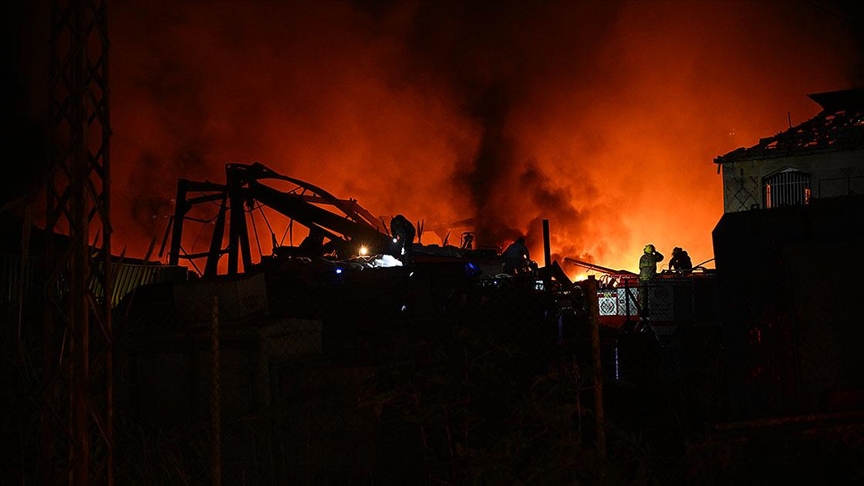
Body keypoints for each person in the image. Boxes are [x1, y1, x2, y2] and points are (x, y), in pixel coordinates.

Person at [638, 243, 664, 318]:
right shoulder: (654, 257)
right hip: (651, 278)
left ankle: (642, 310)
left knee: (642, 294)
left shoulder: (642, 258)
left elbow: (640, 267)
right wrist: (655, 252)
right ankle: (650, 309)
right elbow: (661, 257)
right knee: (650, 294)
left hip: (642, 278)